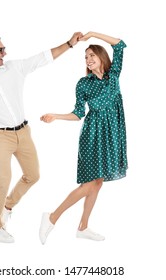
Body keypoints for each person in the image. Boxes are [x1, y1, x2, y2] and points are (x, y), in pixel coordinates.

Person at [0, 31, 83, 243]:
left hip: (24, 132)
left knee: (33, 175)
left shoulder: (14, 68)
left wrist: (70, 44)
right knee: (2, 181)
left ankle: (8, 206)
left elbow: (44, 57)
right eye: (0, 50)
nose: (4, 53)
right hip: (0, 137)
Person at [39, 31, 128, 244]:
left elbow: (120, 44)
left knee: (98, 183)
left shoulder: (113, 75)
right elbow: (78, 113)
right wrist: (56, 116)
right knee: (89, 184)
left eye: (91, 56)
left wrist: (92, 35)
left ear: (101, 58)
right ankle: (51, 217)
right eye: (86, 57)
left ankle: (83, 227)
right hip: (92, 135)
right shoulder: (83, 83)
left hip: (113, 134)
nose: (88, 60)